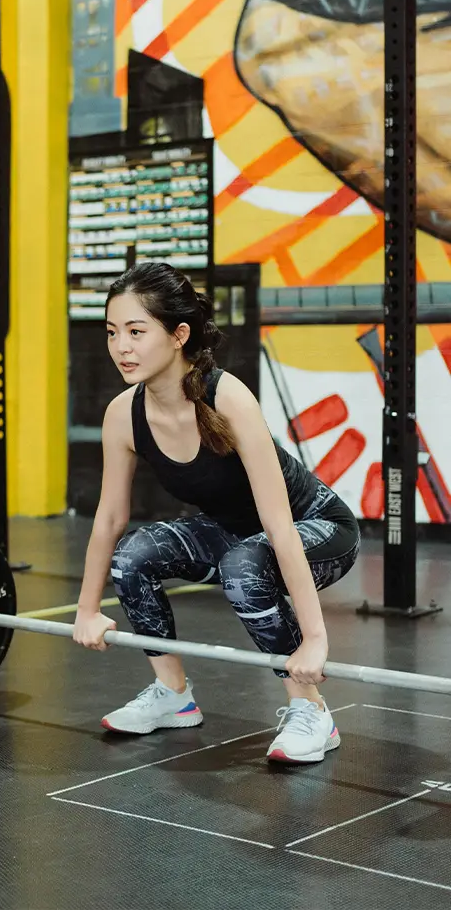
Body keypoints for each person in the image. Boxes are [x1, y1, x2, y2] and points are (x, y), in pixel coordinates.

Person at [72, 262, 360, 764]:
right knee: (134, 555)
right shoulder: (124, 413)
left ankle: (310, 708)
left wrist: (315, 639)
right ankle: (173, 696)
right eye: (114, 332)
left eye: (137, 332)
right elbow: (110, 518)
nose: (122, 347)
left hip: (318, 528)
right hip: (233, 533)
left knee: (245, 565)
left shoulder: (228, 398)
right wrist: (87, 608)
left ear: (178, 335)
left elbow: (277, 525)